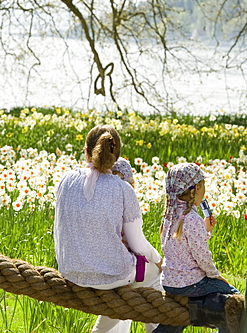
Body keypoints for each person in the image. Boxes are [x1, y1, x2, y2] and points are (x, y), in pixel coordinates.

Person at [54, 125, 163, 333]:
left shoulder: (65, 180)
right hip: (112, 275)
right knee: (154, 278)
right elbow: (138, 245)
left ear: (86, 150)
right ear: (117, 156)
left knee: (125, 292)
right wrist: (158, 260)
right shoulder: (123, 189)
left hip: (70, 272)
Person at [152, 162, 239, 333]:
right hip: (190, 283)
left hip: (170, 282)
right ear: (197, 188)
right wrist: (216, 276)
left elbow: (182, 247)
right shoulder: (192, 219)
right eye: (204, 186)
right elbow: (202, 257)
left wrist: (205, 231)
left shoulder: (170, 215)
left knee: (176, 317)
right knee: (237, 303)